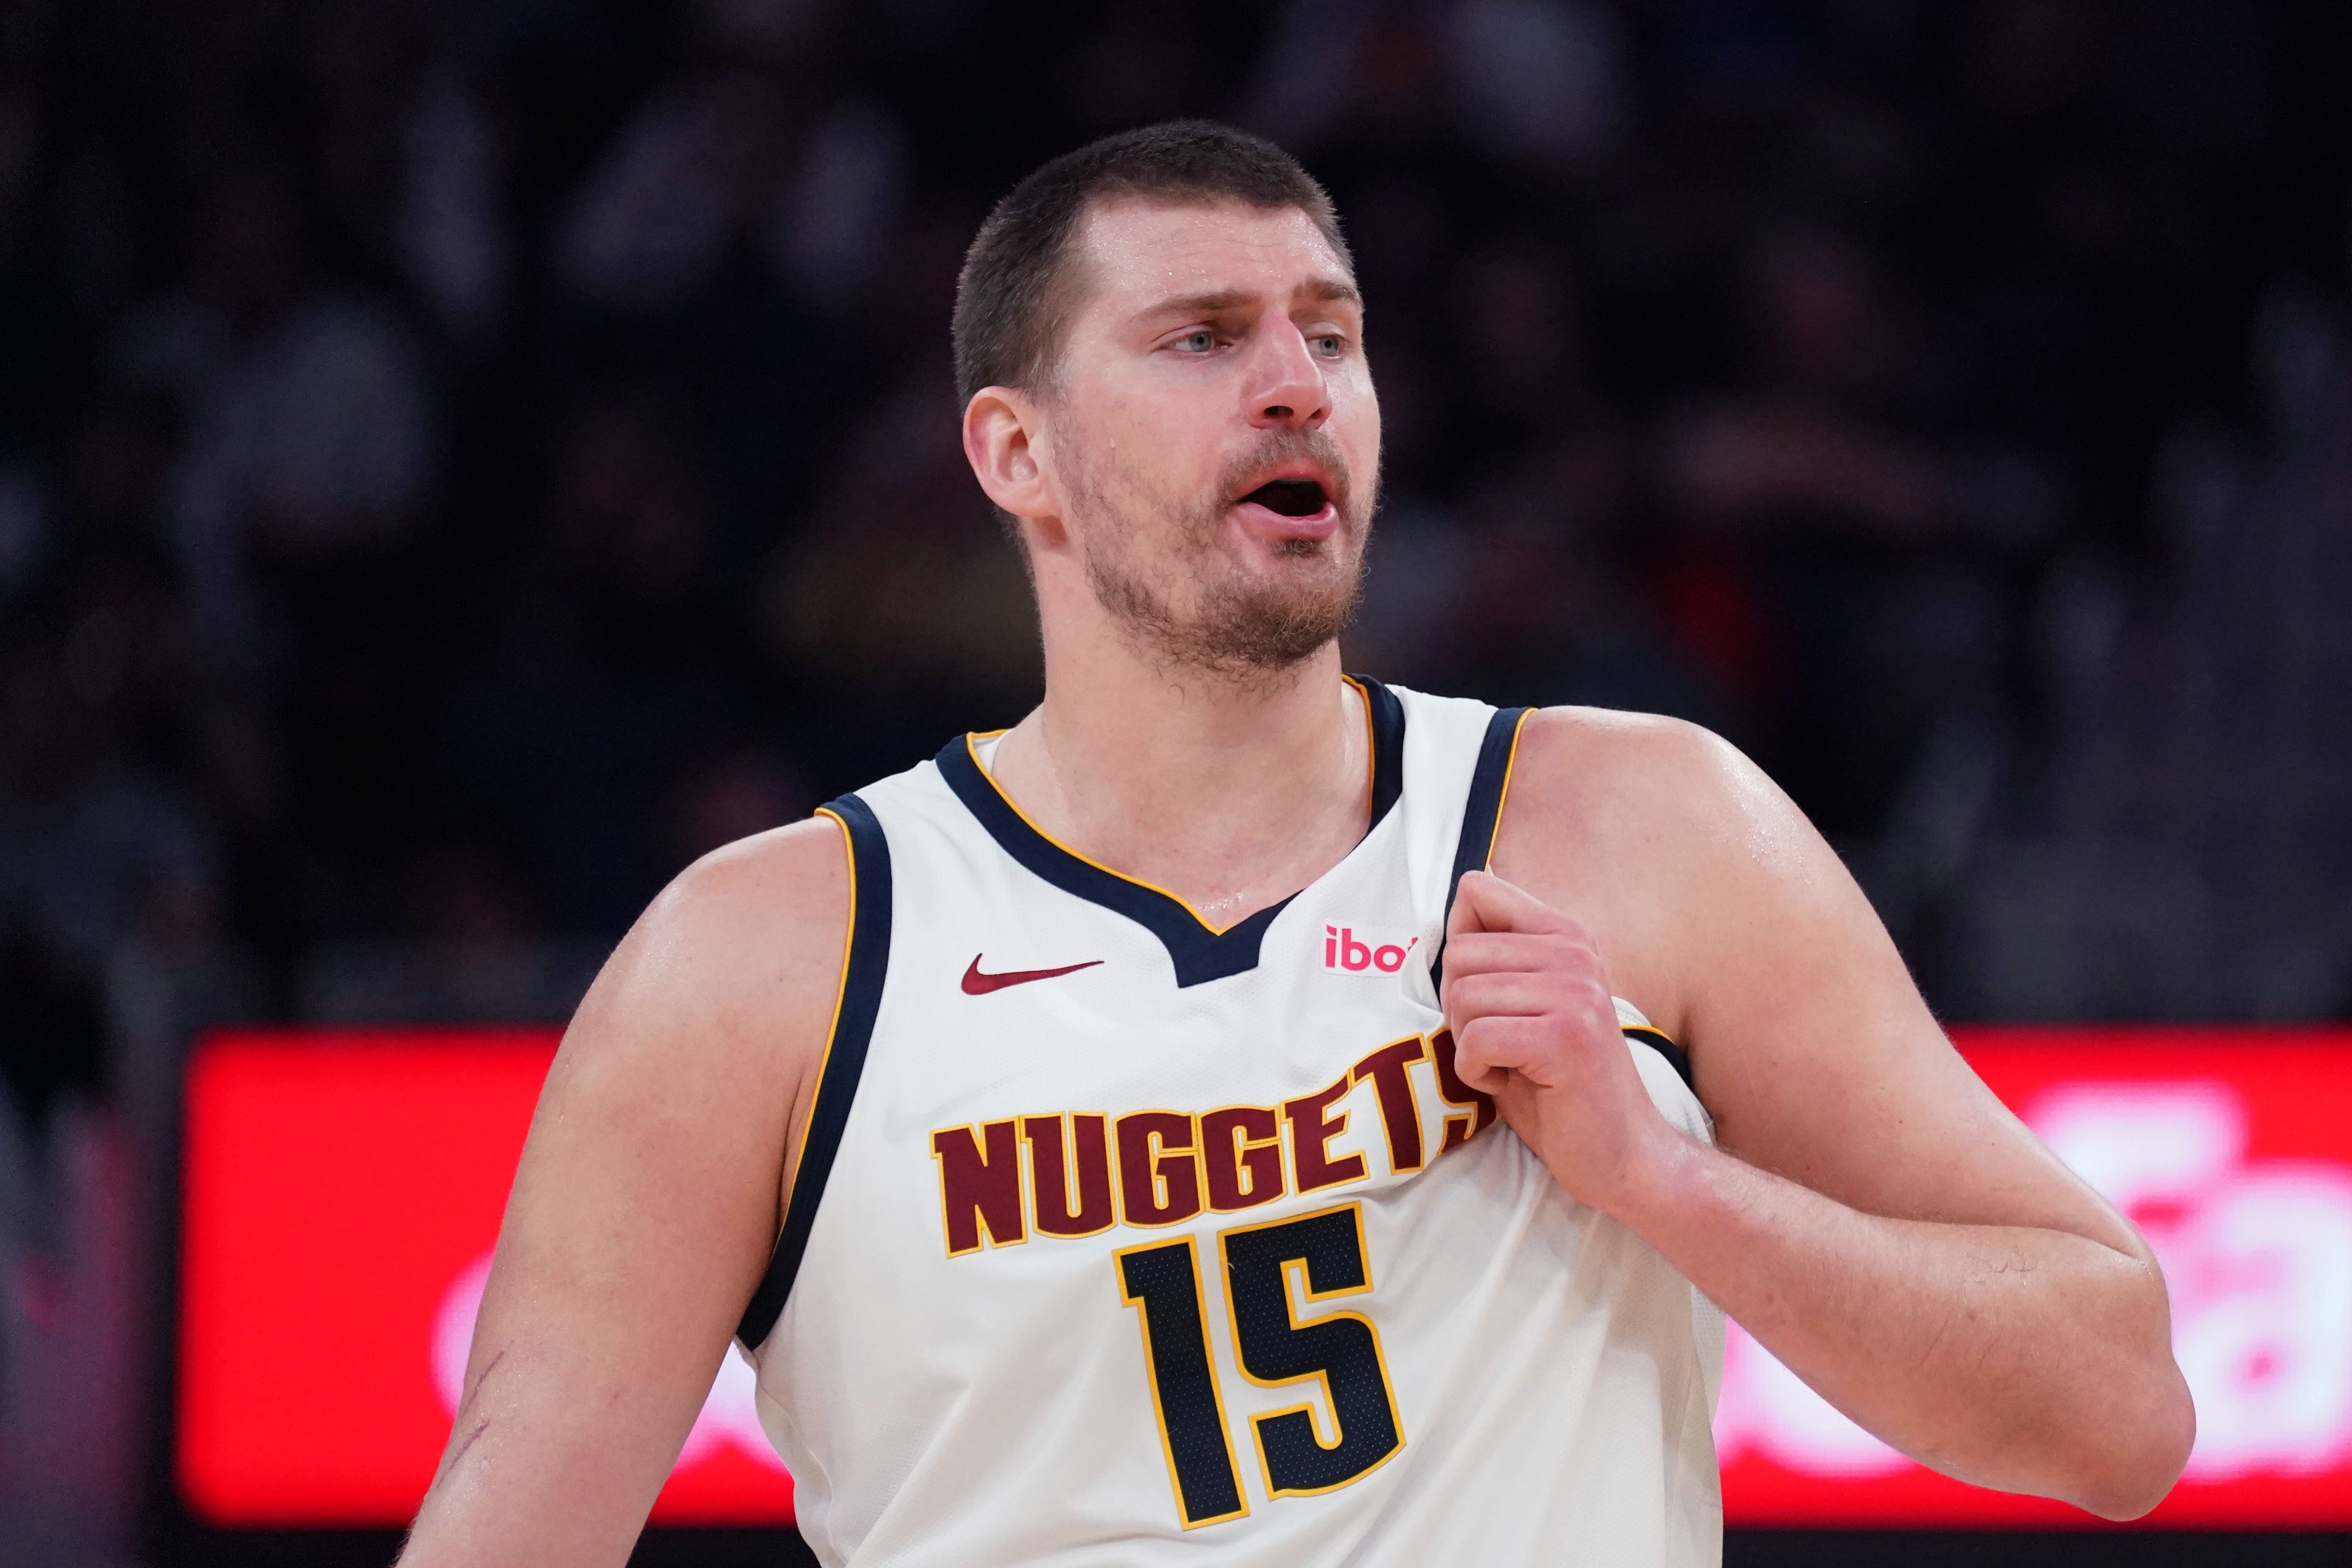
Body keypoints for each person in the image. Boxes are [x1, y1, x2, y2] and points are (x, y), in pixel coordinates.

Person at [398, 122, 2191, 1568]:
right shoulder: (767, 957)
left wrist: (1662, 1176)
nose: (1294, 384)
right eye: (1201, 338)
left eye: (1328, 334)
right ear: (1016, 453)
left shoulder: (1631, 822)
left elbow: (2119, 1413)